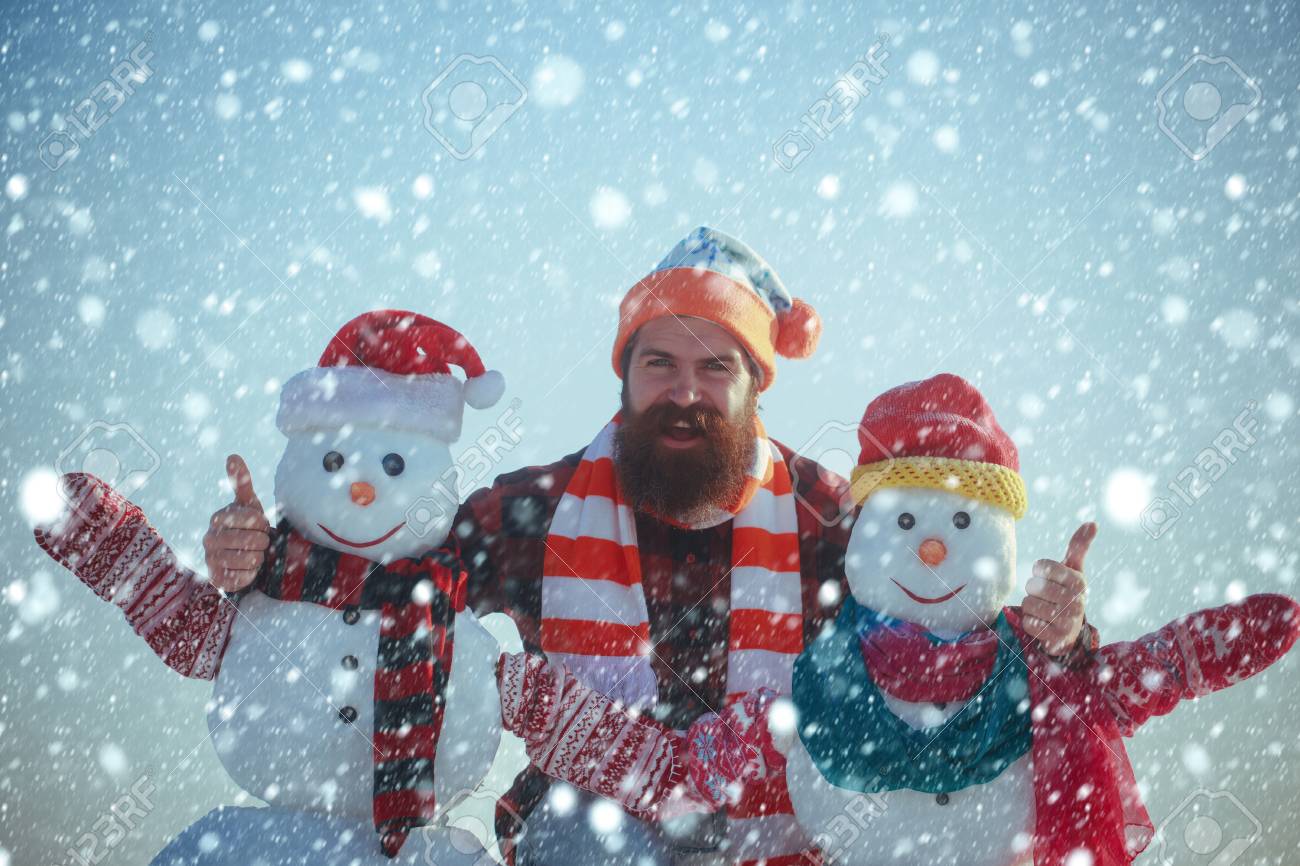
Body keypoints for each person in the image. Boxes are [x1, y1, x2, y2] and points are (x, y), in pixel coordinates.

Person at [203, 227, 1091, 866]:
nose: (684, 392)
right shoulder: (536, 510)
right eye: (659, 362)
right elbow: (387, 577)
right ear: (625, 378)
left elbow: (948, 634)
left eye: (715, 367)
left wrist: (1059, 636)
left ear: (754, 387)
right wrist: (266, 554)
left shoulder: (828, 518)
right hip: (586, 825)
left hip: (780, 827)